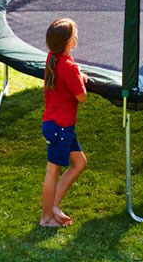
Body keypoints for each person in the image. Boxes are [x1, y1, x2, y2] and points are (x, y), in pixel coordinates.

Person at [39, 18, 88, 227]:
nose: (77, 36)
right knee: (52, 172)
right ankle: (46, 218)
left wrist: (78, 76)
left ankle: (54, 206)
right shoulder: (68, 67)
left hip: (57, 125)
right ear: (69, 42)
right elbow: (81, 97)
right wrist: (81, 79)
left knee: (79, 163)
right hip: (60, 127)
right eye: (74, 34)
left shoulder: (53, 58)